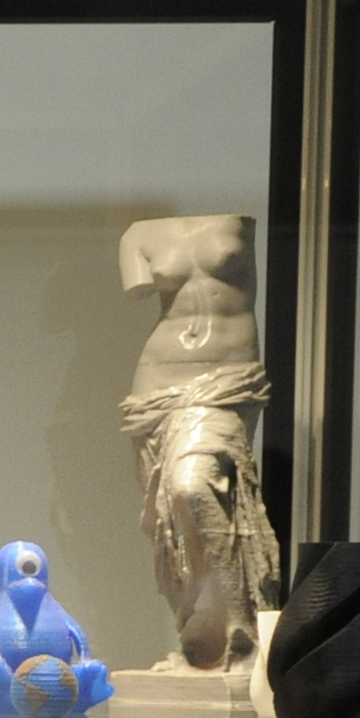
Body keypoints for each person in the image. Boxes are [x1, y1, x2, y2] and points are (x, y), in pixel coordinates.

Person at [119, 215, 284, 672]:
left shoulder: (236, 224)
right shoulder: (137, 235)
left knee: (191, 485)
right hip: (157, 384)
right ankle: (200, 639)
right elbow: (139, 289)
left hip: (227, 379)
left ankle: (243, 625)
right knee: (170, 520)